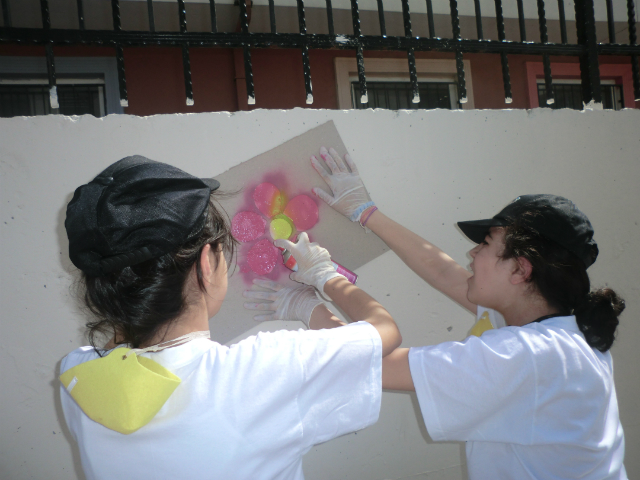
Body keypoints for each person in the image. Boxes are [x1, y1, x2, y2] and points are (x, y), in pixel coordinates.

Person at [59, 155, 401, 480]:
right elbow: (384, 332)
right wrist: (325, 278)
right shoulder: (264, 371)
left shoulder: (78, 375)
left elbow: (119, 342)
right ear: (207, 264)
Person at [308, 147, 627, 479]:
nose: (473, 253)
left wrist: (316, 290)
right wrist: (366, 212)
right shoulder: (563, 330)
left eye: (486, 244)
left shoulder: (521, 358)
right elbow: (443, 271)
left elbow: (366, 362)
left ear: (521, 270)